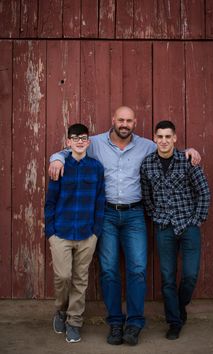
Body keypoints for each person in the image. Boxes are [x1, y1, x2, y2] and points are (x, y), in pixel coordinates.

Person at [48, 106, 201, 346]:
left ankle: (134, 324)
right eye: (121, 119)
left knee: (138, 269)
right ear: (113, 120)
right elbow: (71, 149)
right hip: (107, 215)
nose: (124, 124)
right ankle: (115, 323)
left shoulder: (146, 145)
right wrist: (56, 158)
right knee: (109, 270)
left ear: (134, 122)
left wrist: (189, 151)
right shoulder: (96, 143)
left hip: (135, 214)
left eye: (129, 120)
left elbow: (168, 149)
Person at [140, 120, 210, 340]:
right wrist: (156, 216)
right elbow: (146, 196)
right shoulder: (147, 164)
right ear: (154, 138)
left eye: (167, 137)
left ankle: (180, 307)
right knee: (168, 277)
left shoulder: (187, 161)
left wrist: (196, 219)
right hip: (164, 228)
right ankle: (174, 322)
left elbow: (204, 192)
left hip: (188, 226)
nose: (163, 141)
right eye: (159, 137)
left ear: (175, 138)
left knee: (189, 275)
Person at [44, 123, 105, 343]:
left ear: (88, 142)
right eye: (75, 138)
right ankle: (60, 309)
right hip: (61, 231)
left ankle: (74, 322)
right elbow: (50, 202)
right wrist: (50, 231)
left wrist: (96, 231)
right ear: (68, 142)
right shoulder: (59, 166)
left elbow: (100, 201)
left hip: (87, 233)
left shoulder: (96, 168)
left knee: (80, 280)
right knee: (63, 276)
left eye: (84, 138)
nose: (80, 141)